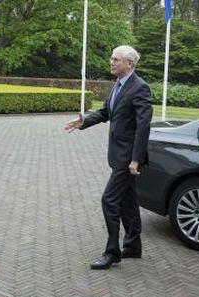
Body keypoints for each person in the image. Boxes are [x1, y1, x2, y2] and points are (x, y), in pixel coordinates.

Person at [65, 45, 152, 270]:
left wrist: (136, 159)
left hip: (127, 158)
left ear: (129, 64)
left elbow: (143, 127)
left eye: (116, 59)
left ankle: (112, 252)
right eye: (112, 58)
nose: (111, 62)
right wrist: (84, 122)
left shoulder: (140, 88)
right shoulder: (118, 85)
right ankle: (133, 245)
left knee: (109, 200)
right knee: (128, 201)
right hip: (118, 155)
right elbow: (106, 113)